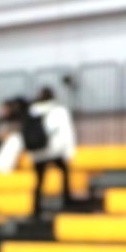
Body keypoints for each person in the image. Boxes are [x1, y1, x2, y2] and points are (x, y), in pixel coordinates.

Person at [27, 83, 76, 212]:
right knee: (64, 172)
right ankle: (66, 199)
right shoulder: (59, 111)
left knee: (39, 180)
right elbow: (67, 132)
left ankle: (36, 207)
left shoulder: (32, 111)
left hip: (37, 152)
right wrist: (69, 152)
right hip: (54, 150)